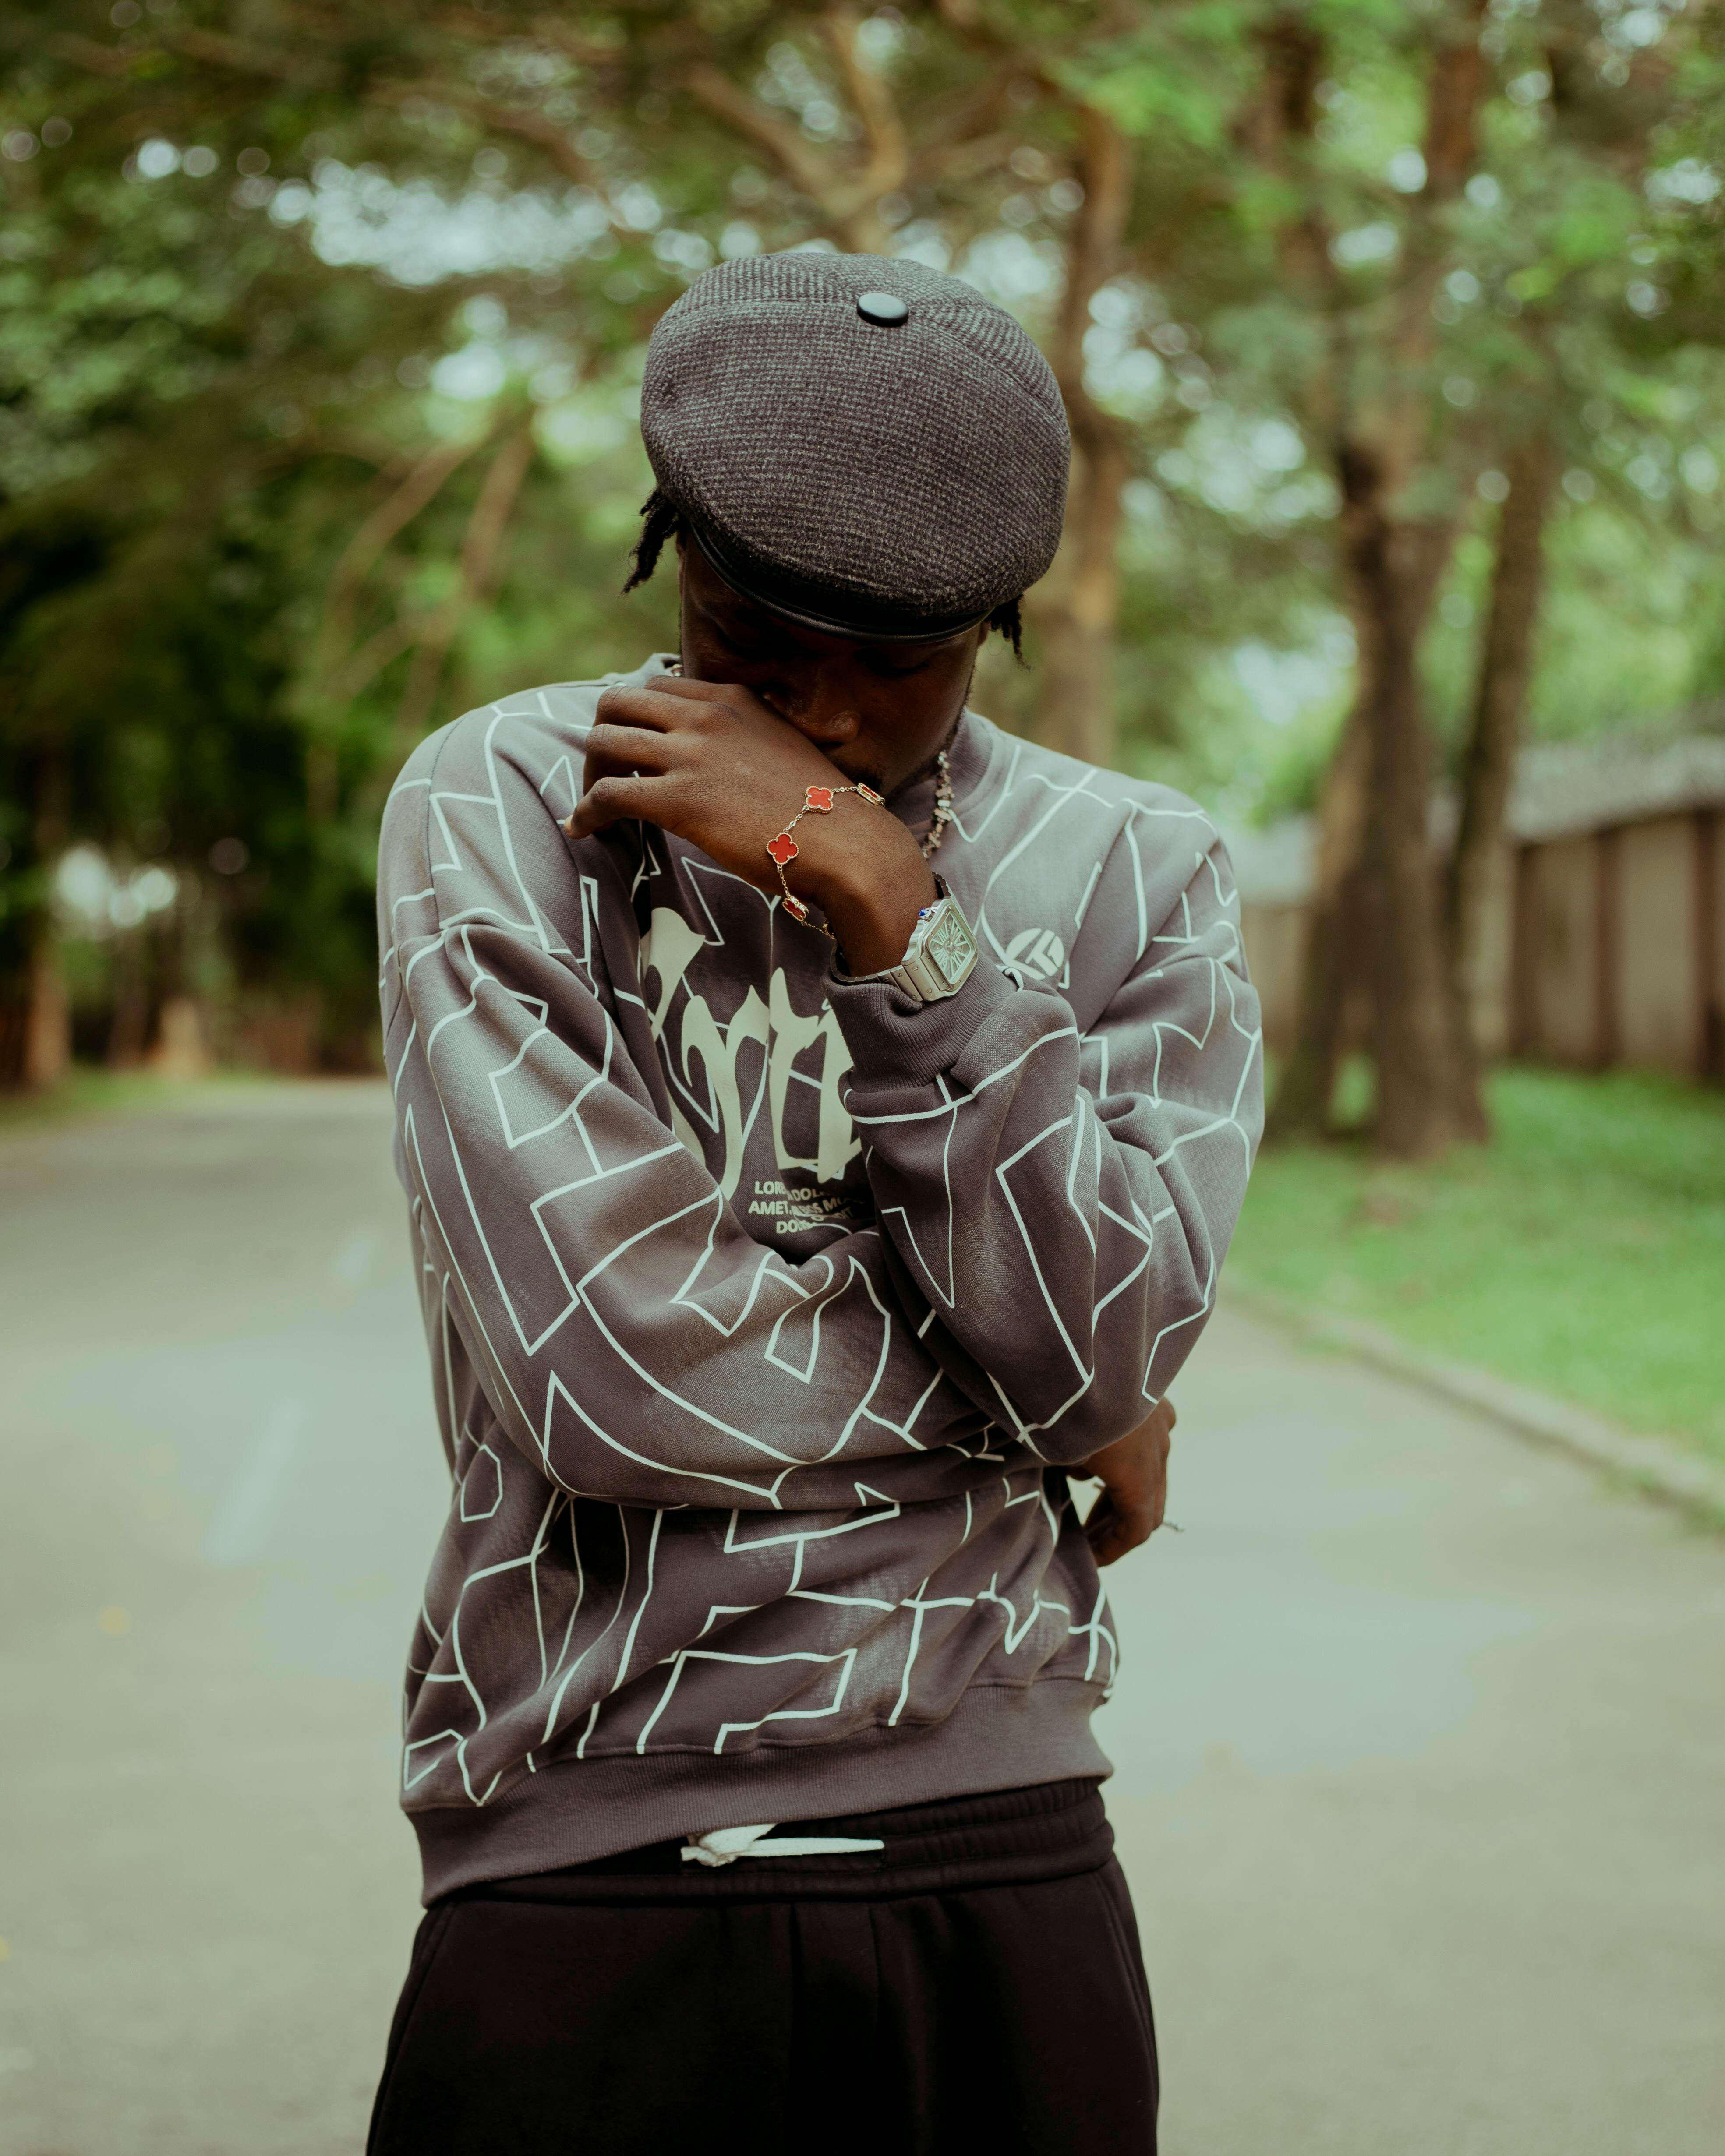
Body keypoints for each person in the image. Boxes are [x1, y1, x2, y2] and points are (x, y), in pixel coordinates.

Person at [367, 251, 1262, 2156]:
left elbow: (1108, 1328)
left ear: (997, 620)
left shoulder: (1135, 872)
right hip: (591, 1849)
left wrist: (904, 926)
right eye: (765, 639)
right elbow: (622, 1382)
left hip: (998, 1852)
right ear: (665, 546)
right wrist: (1065, 1408)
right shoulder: (504, 813)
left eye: (904, 656)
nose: (835, 715)